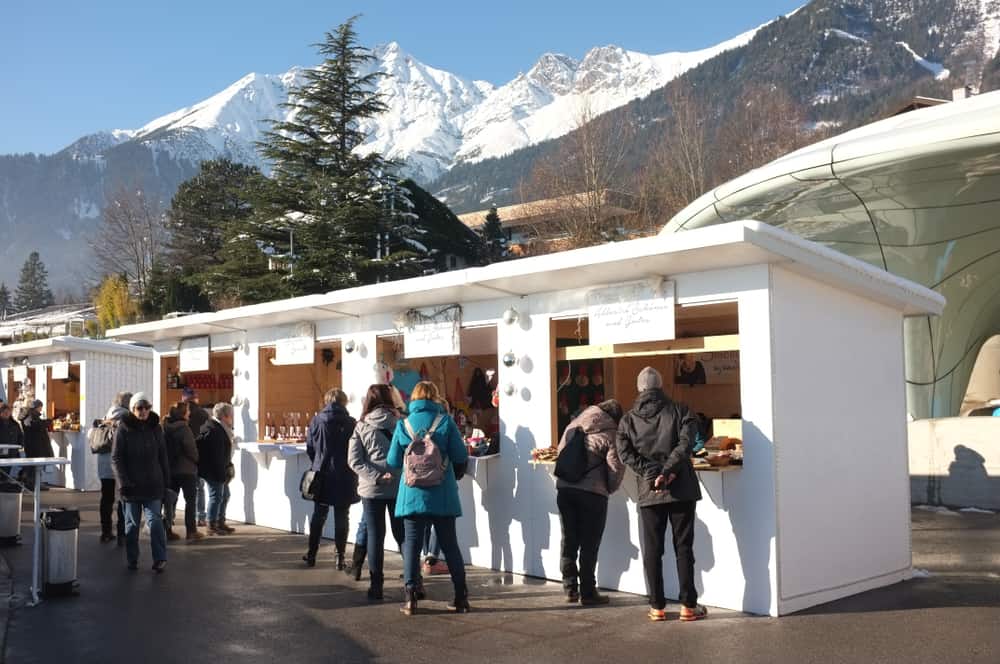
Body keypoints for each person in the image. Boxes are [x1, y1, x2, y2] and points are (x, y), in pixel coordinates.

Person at [616, 367, 707, 622]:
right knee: (683, 548)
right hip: (681, 489)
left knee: (653, 550)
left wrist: (651, 472)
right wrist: (667, 471)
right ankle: (688, 605)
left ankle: (657, 606)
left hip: (649, 490)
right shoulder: (681, 411)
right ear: (661, 385)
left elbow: (625, 454)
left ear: (639, 388)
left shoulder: (627, 420)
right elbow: (687, 443)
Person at [387, 380, 470, 615]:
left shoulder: (404, 424)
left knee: (411, 545)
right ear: (435, 397)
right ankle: (461, 597)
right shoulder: (445, 421)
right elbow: (460, 454)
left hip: (412, 495)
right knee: (450, 545)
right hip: (442, 493)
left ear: (414, 399)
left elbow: (393, 461)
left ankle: (410, 599)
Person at [556, 398, 625, 605]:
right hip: (592, 494)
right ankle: (587, 592)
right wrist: (609, 488)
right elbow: (616, 467)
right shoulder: (612, 433)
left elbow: (561, 453)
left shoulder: (573, 425)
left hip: (566, 489)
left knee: (569, 540)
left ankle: (569, 589)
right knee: (589, 544)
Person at [348, 384, 404, 600]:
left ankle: (376, 585)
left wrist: (376, 476)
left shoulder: (361, 426)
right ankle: (413, 581)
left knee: (375, 536)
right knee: (404, 536)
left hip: (372, 490)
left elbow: (354, 460)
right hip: (399, 487)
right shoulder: (401, 423)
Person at [111, 392, 169, 573]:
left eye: (147, 407)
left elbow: (163, 456)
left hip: (153, 484)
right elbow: (116, 458)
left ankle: (160, 558)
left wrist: (167, 483)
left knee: (156, 522)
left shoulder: (156, 427)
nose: (143, 411)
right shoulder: (123, 428)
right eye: (139, 408)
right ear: (132, 409)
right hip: (131, 487)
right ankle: (132, 559)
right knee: (132, 525)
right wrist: (123, 483)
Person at [303, 389, 358, 569]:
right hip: (345, 475)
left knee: (319, 515)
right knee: (342, 516)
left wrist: (317, 462)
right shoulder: (351, 423)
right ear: (344, 402)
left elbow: (310, 448)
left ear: (326, 401)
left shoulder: (316, 420)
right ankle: (339, 557)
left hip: (322, 474)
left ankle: (312, 554)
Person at [163, 401, 203, 542]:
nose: (189, 413)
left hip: (171, 469)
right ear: (183, 414)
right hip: (186, 469)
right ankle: (191, 531)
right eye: (187, 411)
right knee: (190, 501)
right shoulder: (184, 429)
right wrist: (196, 458)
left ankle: (167, 529)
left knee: (170, 501)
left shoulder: (165, 428)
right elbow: (191, 450)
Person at [197, 402, 237, 536]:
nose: (232, 418)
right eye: (231, 415)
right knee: (216, 496)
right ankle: (212, 524)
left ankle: (219, 521)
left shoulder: (217, 428)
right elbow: (216, 455)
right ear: (225, 416)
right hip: (214, 470)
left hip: (217, 469)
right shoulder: (215, 430)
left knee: (224, 495)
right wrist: (222, 471)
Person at [98, 393, 131, 544]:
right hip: (120, 464)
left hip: (104, 464)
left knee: (106, 499)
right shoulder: (126, 418)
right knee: (123, 499)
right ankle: (122, 533)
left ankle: (105, 531)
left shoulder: (105, 417)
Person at [183, 388, 210, 527]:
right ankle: (201, 517)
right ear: (196, 399)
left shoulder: (180, 414)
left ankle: (185, 517)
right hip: (199, 455)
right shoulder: (203, 414)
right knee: (200, 487)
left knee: (186, 490)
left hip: (183, 456)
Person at [19, 400, 52, 490]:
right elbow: (35, 426)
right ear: (37, 407)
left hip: (33, 444)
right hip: (34, 445)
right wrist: (47, 422)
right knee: (35, 465)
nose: (41, 409)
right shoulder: (30, 416)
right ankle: (33, 484)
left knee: (33, 465)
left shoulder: (29, 416)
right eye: (40, 407)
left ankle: (32, 482)